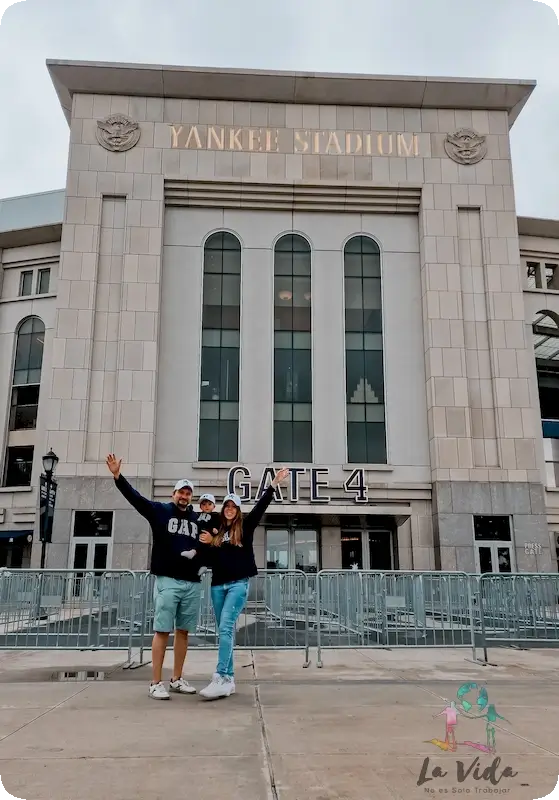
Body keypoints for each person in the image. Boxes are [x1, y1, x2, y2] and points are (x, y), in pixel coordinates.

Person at [106, 454, 207, 700]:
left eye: (187, 493)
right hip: (168, 581)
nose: (184, 496)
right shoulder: (160, 511)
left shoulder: (198, 519)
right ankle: (155, 682)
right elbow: (137, 500)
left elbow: (209, 543)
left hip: (192, 583)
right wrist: (118, 477)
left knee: (183, 632)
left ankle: (177, 678)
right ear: (174, 494)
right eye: (180, 492)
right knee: (162, 630)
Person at [198, 467, 290, 700]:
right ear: (223, 509)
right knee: (223, 631)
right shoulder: (216, 533)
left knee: (227, 628)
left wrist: (273, 484)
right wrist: (209, 543)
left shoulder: (245, 528)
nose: (229, 510)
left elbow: (260, 508)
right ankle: (228, 679)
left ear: (237, 511)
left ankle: (219, 676)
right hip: (218, 585)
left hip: (238, 585)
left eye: (233, 507)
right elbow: (210, 557)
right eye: (226, 506)